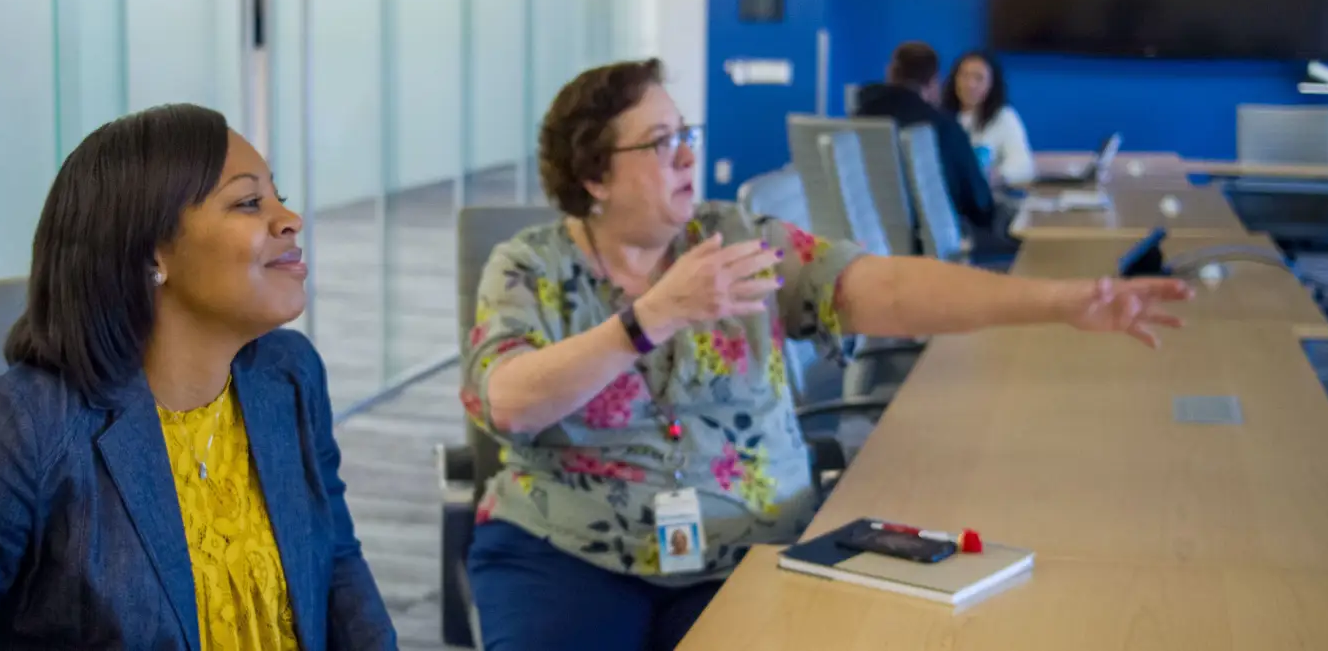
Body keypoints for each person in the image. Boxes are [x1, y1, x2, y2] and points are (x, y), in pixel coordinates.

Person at [460, 59, 1191, 651]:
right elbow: (510, 399)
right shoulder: (529, 266)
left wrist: (1058, 303)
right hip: (566, 548)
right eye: (660, 142)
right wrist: (653, 314)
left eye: (687, 133)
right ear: (593, 174)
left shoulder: (741, 240)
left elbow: (889, 288)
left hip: (744, 545)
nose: (687, 153)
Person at [0, 105, 396, 650]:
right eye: (249, 202)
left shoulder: (289, 375)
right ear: (153, 253)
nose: (290, 220)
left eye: (280, 197)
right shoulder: (26, 428)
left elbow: (335, 563)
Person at [854, 41, 995, 231]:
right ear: (934, 82)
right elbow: (981, 205)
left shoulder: (855, 122)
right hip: (929, 249)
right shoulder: (943, 128)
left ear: (890, 72)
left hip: (865, 246)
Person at [944, 50, 1035, 187]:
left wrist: (995, 176)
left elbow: (1024, 167)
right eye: (964, 76)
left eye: (979, 78)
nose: (970, 84)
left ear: (992, 84)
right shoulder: (941, 117)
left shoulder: (1004, 117)